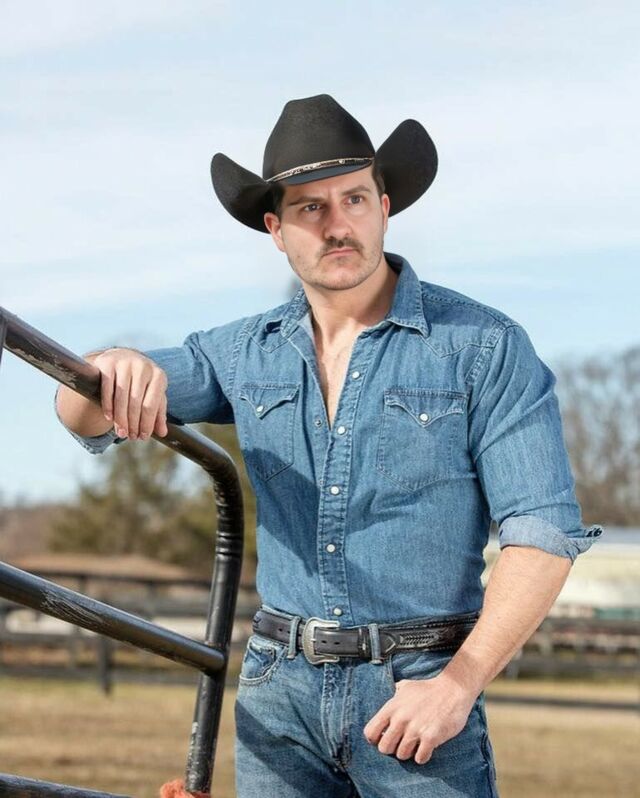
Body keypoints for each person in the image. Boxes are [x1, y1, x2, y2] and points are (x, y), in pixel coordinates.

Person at [55, 94, 603, 797]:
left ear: (385, 208)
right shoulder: (243, 352)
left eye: (354, 199)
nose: (337, 224)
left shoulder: (484, 347)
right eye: (311, 207)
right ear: (276, 229)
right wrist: (110, 364)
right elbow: (82, 411)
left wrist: (457, 683)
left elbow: (542, 531)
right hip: (277, 694)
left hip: (418, 691)